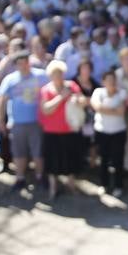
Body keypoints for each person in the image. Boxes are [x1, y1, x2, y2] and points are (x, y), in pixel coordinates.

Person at [0, 51, 46, 193]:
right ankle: (20, 178)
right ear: (16, 65)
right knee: (19, 152)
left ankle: (40, 177)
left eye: (25, 62)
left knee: (38, 152)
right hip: (17, 122)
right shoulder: (10, 79)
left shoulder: (41, 76)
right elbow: (1, 101)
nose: (23, 66)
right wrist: (0, 120)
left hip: (37, 122)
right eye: (20, 64)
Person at [38, 59, 86, 200]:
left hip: (69, 130)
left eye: (60, 73)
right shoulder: (46, 90)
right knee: (52, 161)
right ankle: (53, 187)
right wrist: (61, 97)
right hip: (51, 131)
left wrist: (78, 100)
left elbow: (82, 100)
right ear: (50, 75)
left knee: (71, 159)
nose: (58, 76)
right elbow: (46, 109)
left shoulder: (71, 86)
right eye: (55, 74)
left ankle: (71, 184)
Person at [91, 68, 128, 196]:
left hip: (119, 132)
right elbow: (96, 107)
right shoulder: (97, 92)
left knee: (118, 160)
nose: (111, 82)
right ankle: (104, 184)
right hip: (102, 132)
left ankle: (119, 185)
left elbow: (121, 111)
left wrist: (104, 109)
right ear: (103, 81)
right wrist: (113, 110)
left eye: (113, 80)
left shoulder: (122, 93)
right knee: (104, 160)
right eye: (108, 80)